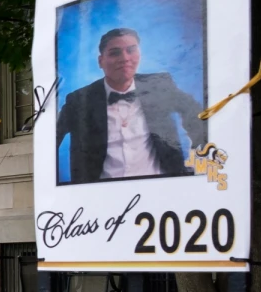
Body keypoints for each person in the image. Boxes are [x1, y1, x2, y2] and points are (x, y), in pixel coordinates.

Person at [57, 28, 206, 184]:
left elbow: (196, 114)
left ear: (139, 54)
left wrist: (196, 161)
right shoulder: (79, 100)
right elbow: (51, 137)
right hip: (101, 194)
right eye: (115, 53)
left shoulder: (159, 85)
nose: (125, 58)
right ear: (101, 61)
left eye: (131, 50)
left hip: (162, 188)